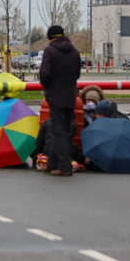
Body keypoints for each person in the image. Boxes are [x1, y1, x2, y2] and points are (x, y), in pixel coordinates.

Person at [39, 25, 82, 176]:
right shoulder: (75, 52)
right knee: (62, 129)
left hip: (55, 96)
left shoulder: (49, 51)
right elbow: (77, 74)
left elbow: (44, 73)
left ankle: (64, 166)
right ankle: (51, 163)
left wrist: (47, 86)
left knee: (59, 132)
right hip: (70, 97)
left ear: (50, 38)